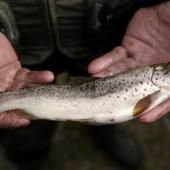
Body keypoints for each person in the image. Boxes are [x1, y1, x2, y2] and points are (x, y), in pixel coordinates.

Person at [0, 0, 169, 169]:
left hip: (99, 32)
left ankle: (104, 132)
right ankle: (31, 157)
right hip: (21, 44)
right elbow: (142, 106)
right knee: (26, 129)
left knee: (100, 86)